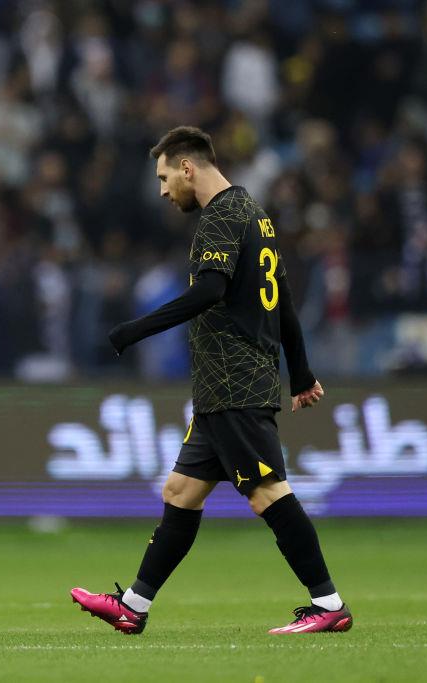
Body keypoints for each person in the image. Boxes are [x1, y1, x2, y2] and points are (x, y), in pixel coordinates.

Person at [70, 126, 351, 635]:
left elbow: (210, 291)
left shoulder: (219, 216)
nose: (162, 190)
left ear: (187, 168)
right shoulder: (255, 214)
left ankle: (328, 604)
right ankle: (133, 605)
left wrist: (134, 330)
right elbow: (283, 303)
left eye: (164, 178)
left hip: (234, 383)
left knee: (267, 492)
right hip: (224, 388)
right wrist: (301, 374)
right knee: (180, 491)